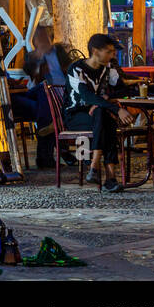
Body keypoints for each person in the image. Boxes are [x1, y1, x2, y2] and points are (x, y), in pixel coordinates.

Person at [63, 33, 134, 193]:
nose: (112, 55)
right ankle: (109, 177)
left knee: (103, 117)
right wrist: (116, 108)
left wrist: (107, 98)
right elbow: (86, 95)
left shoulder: (108, 68)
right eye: (108, 51)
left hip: (98, 114)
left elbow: (123, 88)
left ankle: (95, 167)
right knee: (106, 119)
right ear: (95, 51)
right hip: (76, 115)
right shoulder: (76, 69)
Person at [11, 25, 74, 167]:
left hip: (60, 93)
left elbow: (69, 68)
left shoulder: (58, 51)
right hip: (39, 92)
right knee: (43, 92)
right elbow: (30, 72)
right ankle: (58, 151)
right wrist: (38, 57)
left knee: (46, 104)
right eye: (38, 38)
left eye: (44, 37)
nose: (41, 40)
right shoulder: (32, 56)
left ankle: (45, 156)